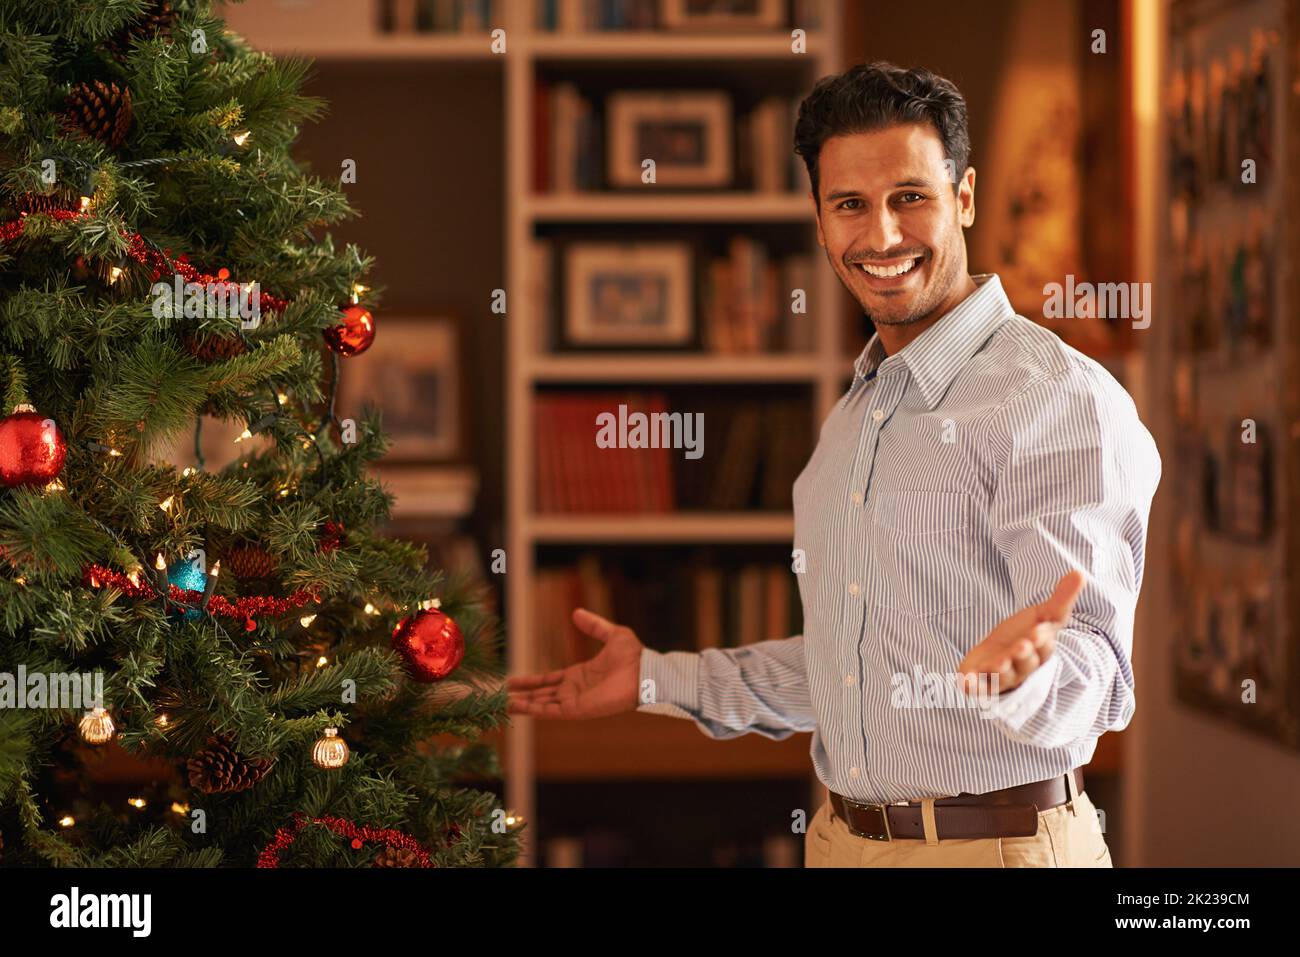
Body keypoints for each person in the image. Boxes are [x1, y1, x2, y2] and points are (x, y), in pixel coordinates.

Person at [508, 61, 1162, 868]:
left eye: (909, 197)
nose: (881, 236)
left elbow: (1100, 669)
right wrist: (654, 677)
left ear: (964, 198)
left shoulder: (1054, 397)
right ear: (820, 223)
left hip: (994, 849)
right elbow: (849, 671)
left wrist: (1026, 680)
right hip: (839, 842)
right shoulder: (859, 414)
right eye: (850, 204)